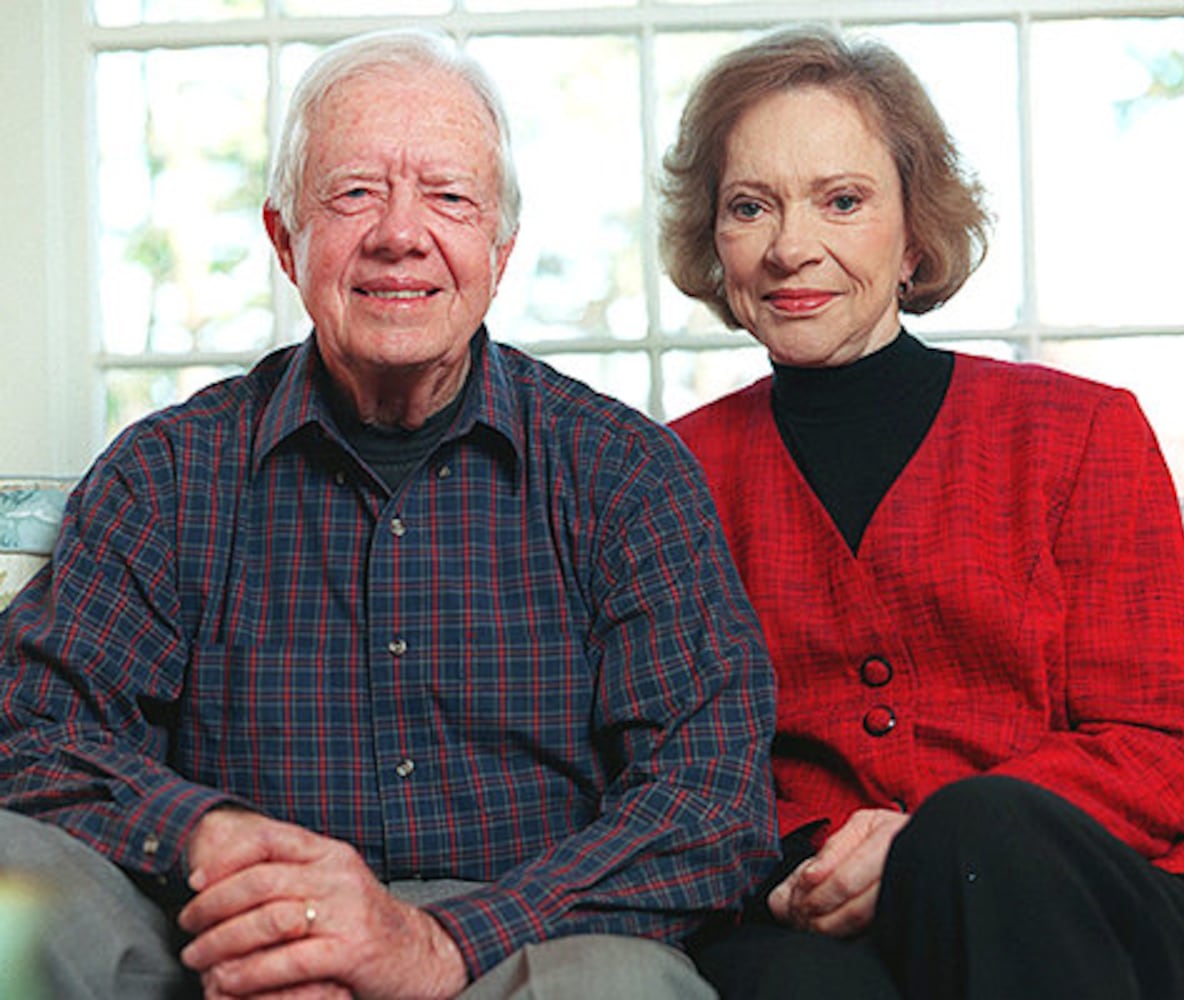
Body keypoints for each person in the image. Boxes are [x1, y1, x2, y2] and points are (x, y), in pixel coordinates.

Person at [0, 29, 779, 1000]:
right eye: (354, 192)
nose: (399, 233)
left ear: (499, 250)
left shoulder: (621, 473)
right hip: (216, 931)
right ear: (286, 239)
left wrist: (427, 941)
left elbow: (710, 802)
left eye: (448, 197)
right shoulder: (163, 475)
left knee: (617, 987)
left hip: (520, 944)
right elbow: (25, 731)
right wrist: (215, 847)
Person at [660, 23, 1184, 1000]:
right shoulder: (671, 472)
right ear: (713, 241)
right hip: (808, 912)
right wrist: (809, 863)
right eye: (748, 206)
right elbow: (667, 771)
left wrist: (920, 838)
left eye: (840, 200)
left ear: (912, 234)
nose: (789, 247)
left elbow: (1163, 745)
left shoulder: (1080, 432)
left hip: (1088, 908)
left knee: (979, 836)